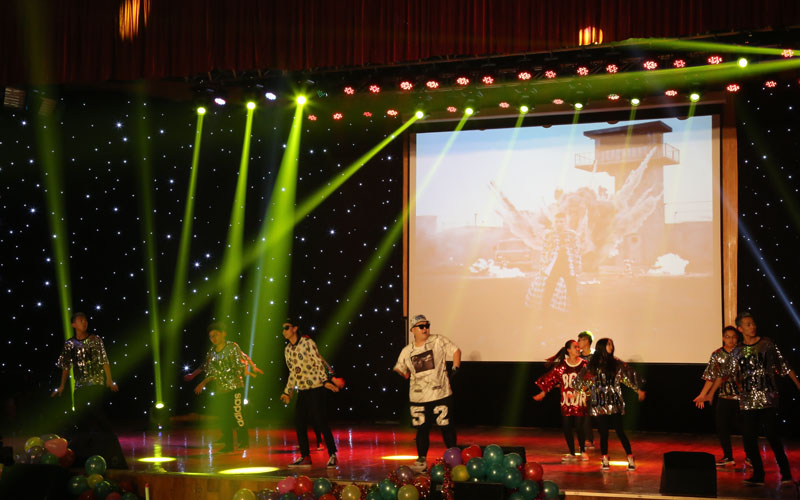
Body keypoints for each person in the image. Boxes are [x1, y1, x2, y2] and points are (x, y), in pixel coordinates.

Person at [695, 312, 800, 486]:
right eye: (748, 324)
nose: (753, 327)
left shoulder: (767, 344)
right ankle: (758, 475)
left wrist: (798, 383)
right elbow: (722, 374)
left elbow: (784, 366)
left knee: (773, 436)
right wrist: (710, 393)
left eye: (753, 323)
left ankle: (786, 474)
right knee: (749, 438)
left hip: (767, 399)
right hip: (747, 401)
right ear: (740, 328)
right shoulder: (737, 351)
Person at [394, 314, 461, 472]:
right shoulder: (407, 351)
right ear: (413, 330)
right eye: (421, 326)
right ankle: (421, 460)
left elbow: (456, 350)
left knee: (446, 426)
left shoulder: (438, 340)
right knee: (422, 429)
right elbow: (400, 369)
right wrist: (406, 374)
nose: (425, 329)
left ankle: (454, 459)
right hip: (419, 397)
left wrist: (455, 367)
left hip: (441, 394)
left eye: (427, 325)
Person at [576, 338, 645, 471]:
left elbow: (626, 378)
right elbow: (581, 381)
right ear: (602, 347)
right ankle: (605, 458)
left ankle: (630, 457)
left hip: (614, 402)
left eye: (612, 344)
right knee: (604, 432)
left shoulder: (616, 363)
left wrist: (638, 390)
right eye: (608, 344)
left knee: (619, 431)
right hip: (600, 403)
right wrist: (583, 391)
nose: (611, 346)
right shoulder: (592, 365)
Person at [280, 318, 340, 468]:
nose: (284, 331)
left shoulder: (307, 343)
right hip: (303, 390)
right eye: (283, 329)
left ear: (295, 328)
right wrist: (287, 391)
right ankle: (305, 456)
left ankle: (332, 454)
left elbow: (318, 362)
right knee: (299, 422)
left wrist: (325, 381)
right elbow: (292, 372)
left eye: (287, 327)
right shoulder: (288, 350)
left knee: (321, 422)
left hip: (316, 388)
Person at [51, 312, 119, 434]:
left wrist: (109, 379)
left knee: (97, 414)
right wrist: (62, 386)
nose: (84, 322)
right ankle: (85, 442)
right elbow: (66, 366)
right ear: (73, 324)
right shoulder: (70, 344)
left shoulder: (95, 339)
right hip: (80, 385)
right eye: (81, 320)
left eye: (85, 320)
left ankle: (106, 441)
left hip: (95, 383)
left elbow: (104, 360)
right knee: (81, 416)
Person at [189, 322, 252, 453]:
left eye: (215, 335)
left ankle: (244, 439)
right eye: (211, 336)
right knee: (225, 416)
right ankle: (228, 444)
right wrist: (198, 378)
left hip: (235, 387)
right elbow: (209, 369)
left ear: (223, 334)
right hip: (221, 389)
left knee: (237, 414)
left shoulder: (232, 347)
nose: (213, 338)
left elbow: (241, 361)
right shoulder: (212, 352)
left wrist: (246, 369)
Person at [693, 326, 743, 467]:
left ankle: (751, 457)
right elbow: (711, 377)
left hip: (742, 397)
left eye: (733, 337)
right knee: (722, 427)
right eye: (728, 337)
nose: (731, 340)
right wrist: (703, 394)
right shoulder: (717, 354)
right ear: (723, 338)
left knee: (745, 428)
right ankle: (728, 456)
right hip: (724, 396)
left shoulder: (743, 352)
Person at [533, 339, 589, 461]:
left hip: (579, 400)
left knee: (579, 426)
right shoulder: (562, 366)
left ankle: (583, 451)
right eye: (575, 347)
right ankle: (572, 453)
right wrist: (543, 393)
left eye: (578, 347)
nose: (578, 349)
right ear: (568, 350)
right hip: (566, 401)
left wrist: (579, 391)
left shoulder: (584, 364)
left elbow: (589, 381)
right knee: (567, 427)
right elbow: (551, 380)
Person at [576, 330, 595, 449]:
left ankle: (589, 439)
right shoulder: (578, 356)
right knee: (583, 414)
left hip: (594, 388)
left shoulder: (595, 356)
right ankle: (587, 439)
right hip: (581, 389)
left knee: (592, 415)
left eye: (580, 340)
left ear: (587, 341)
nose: (578, 342)